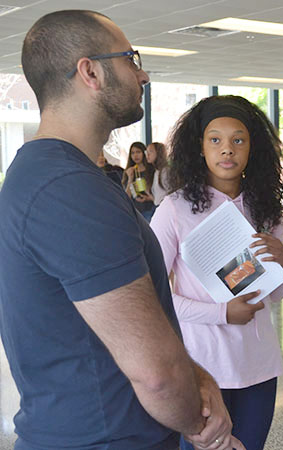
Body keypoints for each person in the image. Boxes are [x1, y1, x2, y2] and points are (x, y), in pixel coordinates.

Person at [0, 10, 243, 449]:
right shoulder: (68, 190)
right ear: (90, 72)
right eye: (131, 58)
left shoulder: (55, 176)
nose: (143, 73)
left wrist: (200, 377)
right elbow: (155, 374)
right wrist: (204, 429)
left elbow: (143, 331)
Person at [150, 95, 283, 450]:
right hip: (201, 366)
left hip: (258, 365)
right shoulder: (175, 208)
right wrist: (221, 313)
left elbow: (274, 293)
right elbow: (153, 295)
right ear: (199, 147)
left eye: (238, 140)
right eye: (215, 139)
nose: (226, 150)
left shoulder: (267, 209)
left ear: (251, 148)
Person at [122, 141, 156, 221]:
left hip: (151, 209)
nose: (135, 155)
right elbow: (126, 197)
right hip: (135, 212)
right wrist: (130, 178)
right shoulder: (129, 171)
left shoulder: (152, 170)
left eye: (138, 152)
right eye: (133, 153)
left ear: (144, 153)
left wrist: (148, 198)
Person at [145, 141, 169, 206]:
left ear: (159, 153)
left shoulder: (166, 171)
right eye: (146, 152)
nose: (147, 155)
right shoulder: (156, 171)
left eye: (150, 151)